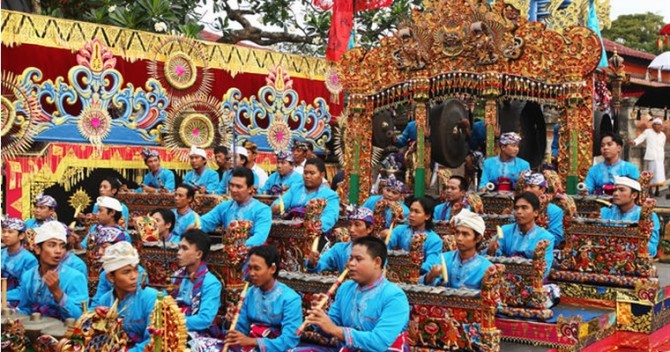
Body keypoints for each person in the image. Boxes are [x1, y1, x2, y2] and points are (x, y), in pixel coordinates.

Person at [293, 237, 410, 352]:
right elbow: (329, 329)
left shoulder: (394, 297)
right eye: (351, 258)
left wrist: (335, 330)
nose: (351, 264)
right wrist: (321, 316)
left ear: (377, 262)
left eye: (358, 259)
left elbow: (379, 342)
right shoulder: (345, 288)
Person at [225, 245, 303, 352]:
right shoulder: (249, 293)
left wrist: (253, 341)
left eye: (257, 268)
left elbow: (289, 340)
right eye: (250, 268)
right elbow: (241, 332)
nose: (251, 273)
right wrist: (231, 322)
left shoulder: (291, 299)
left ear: (272, 269)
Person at [15, 221, 89, 320]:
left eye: (62, 246)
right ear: (37, 249)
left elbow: (80, 317)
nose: (58, 251)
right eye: (52, 245)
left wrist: (57, 292)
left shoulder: (75, 277)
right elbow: (25, 309)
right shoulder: (28, 276)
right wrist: (14, 313)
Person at [93, 242, 158, 352]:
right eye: (126, 272)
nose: (134, 277)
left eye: (136, 270)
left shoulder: (150, 297)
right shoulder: (105, 301)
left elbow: (153, 341)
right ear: (111, 277)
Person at [487, 192, 555, 279]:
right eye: (516, 208)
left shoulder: (546, 237)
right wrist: (491, 251)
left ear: (536, 212)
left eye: (524, 208)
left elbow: (545, 269)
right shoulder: (504, 230)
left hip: (531, 281)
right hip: (504, 279)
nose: (518, 212)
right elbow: (494, 257)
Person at [420, 209, 493, 289]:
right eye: (457, 233)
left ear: (478, 238)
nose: (459, 238)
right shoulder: (443, 258)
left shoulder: (486, 268)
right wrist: (430, 276)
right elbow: (421, 285)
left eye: (465, 234)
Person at [200, 167, 272, 246]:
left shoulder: (262, 210)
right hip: (228, 253)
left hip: (251, 254)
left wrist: (238, 249)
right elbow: (204, 223)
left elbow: (259, 238)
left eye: (238, 186)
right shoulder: (225, 207)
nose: (233, 190)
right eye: (232, 185)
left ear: (250, 189)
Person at [171, 230, 222, 335]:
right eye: (179, 248)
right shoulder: (176, 276)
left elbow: (205, 319)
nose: (179, 253)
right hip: (173, 327)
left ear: (198, 254)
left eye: (184, 248)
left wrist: (173, 322)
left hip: (198, 333)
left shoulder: (211, 283)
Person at [271, 158, 340, 235]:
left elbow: (330, 217)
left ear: (322, 175)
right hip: (291, 230)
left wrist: (314, 226)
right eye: (305, 173)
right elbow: (282, 201)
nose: (307, 176)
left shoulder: (330, 195)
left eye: (312, 173)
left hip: (315, 233)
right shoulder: (295, 188)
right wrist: (276, 206)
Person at [600, 177, 661, 257]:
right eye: (615, 190)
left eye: (621, 190)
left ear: (634, 195)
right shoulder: (603, 212)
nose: (615, 193)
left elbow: (652, 250)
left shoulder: (648, 215)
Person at [90, 225, 148, 307]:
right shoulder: (105, 298)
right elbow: (96, 303)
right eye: (98, 247)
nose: (99, 252)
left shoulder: (148, 297)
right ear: (110, 277)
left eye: (104, 247)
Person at [305, 207, 375, 274]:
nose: (351, 229)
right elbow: (321, 264)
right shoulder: (339, 249)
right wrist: (313, 263)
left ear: (369, 229)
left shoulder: (377, 249)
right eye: (350, 224)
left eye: (357, 225)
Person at [387, 197, 442, 274]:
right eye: (411, 210)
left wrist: (410, 270)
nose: (411, 215)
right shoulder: (399, 230)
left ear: (427, 216)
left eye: (417, 212)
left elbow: (430, 265)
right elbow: (386, 246)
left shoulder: (434, 240)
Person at [521, 171, 565, 246]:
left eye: (531, 186)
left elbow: (555, 239)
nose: (527, 190)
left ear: (542, 190)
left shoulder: (554, 211)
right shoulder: (518, 208)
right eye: (525, 186)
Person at [2, 217, 37, 306]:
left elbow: (25, 289)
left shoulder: (29, 260)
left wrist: (2, 295)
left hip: (16, 302)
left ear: (21, 236)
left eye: (10, 232)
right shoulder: (1, 253)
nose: (5, 235)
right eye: (4, 231)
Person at [629, 118, 666, 196]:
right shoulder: (648, 132)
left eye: (659, 125)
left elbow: (662, 145)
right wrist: (634, 142)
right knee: (650, 174)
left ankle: (657, 190)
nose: (657, 126)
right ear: (653, 125)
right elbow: (640, 138)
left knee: (659, 174)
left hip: (660, 157)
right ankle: (650, 190)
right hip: (651, 156)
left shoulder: (663, 135)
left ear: (661, 126)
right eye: (656, 124)